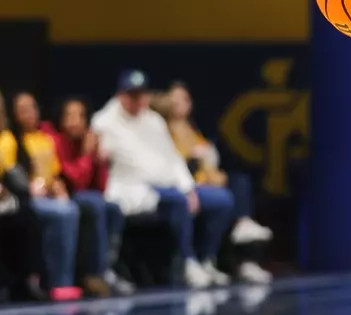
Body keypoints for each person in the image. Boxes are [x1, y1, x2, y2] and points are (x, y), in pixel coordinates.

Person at [94, 70, 235, 289]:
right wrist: (180, 192)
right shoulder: (104, 122)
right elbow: (122, 162)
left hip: (169, 186)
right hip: (133, 189)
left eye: (141, 94)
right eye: (132, 95)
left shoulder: (153, 120)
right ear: (120, 95)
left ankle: (207, 259)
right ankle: (187, 261)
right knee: (177, 201)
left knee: (221, 199)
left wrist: (189, 189)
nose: (137, 100)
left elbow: (174, 158)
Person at [0, 78, 80, 300]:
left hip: (6, 192)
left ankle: (31, 279)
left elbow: (11, 171)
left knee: (26, 213)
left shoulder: (4, 136)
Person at [156, 82, 273, 284]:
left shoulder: (191, 128)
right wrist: (197, 163)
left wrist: (212, 170)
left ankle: (244, 254)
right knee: (224, 198)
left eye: (183, 99)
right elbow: (174, 164)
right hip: (187, 183)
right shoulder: (161, 129)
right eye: (173, 100)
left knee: (240, 182)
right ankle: (200, 260)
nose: (178, 104)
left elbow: (209, 157)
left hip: (204, 179)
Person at [48, 97, 134, 298]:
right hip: (65, 195)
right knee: (94, 203)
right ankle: (96, 272)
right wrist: (87, 155)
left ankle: (108, 267)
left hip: (87, 196)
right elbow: (75, 180)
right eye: (69, 115)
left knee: (112, 206)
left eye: (79, 116)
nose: (74, 121)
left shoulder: (88, 141)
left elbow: (102, 187)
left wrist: (98, 159)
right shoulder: (55, 141)